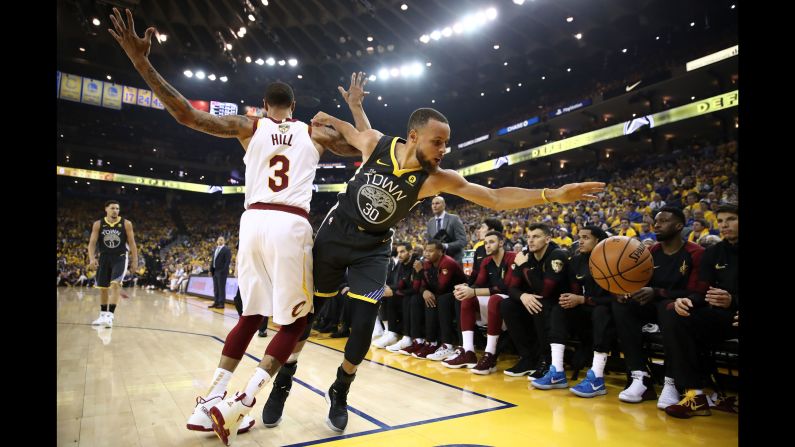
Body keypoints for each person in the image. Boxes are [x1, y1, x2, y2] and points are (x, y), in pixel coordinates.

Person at [262, 86, 604, 432]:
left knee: (363, 325)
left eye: (446, 143)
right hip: (335, 236)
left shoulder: (436, 180)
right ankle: (284, 380)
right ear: (413, 137)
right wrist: (342, 111)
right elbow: (349, 130)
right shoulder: (376, 143)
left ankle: (341, 388)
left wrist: (551, 195)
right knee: (305, 319)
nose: (444, 150)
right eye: (437, 142)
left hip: (373, 248)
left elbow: (495, 198)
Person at [107, 8, 358, 445]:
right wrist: (339, 118)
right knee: (296, 324)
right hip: (290, 223)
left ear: (264, 107)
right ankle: (242, 401)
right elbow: (361, 144)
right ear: (294, 109)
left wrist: (141, 63)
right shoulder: (314, 133)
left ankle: (212, 397)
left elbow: (186, 114)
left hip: (252, 222)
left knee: (251, 315)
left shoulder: (249, 126)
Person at [89, 200, 138, 329]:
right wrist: (91, 258)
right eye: (112, 208)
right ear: (106, 209)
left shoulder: (126, 224)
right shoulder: (98, 224)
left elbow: (132, 243)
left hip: (120, 257)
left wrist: (135, 260)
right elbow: (92, 243)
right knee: (103, 288)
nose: (115, 210)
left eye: (117, 208)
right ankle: (103, 315)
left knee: (115, 284)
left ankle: (110, 316)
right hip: (104, 257)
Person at [426, 196, 467, 263]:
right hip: (438, 262)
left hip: (454, 260)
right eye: (432, 204)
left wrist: (445, 246)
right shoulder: (430, 222)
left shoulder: (454, 219)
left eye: (437, 203)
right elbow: (430, 243)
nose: (434, 206)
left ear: (444, 205)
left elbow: (462, 241)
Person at [209, 237, 231, 308]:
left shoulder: (226, 249)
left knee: (221, 288)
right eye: (219, 240)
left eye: (222, 240)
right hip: (215, 271)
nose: (220, 241)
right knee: (216, 288)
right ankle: (216, 302)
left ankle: (221, 303)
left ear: (224, 241)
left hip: (222, 272)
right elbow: (213, 260)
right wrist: (210, 270)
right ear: (217, 241)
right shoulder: (215, 249)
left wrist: (223, 271)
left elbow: (227, 262)